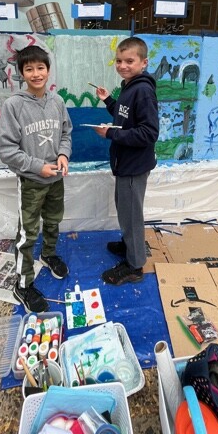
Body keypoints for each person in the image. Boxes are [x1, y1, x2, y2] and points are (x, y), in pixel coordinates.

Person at [0, 45, 72, 312]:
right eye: (29, 69)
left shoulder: (57, 102)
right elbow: (7, 150)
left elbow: (65, 134)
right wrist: (37, 167)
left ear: (48, 70)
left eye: (41, 68)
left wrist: (63, 155)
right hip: (31, 182)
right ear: (21, 73)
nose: (36, 73)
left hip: (56, 180)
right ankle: (23, 284)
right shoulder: (13, 105)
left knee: (53, 221)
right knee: (27, 234)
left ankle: (49, 254)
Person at [93, 36, 159, 285]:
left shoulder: (142, 91)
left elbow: (149, 133)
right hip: (124, 163)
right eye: (119, 60)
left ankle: (135, 265)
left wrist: (111, 133)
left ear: (144, 63)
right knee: (125, 209)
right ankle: (128, 244)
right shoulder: (129, 87)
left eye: (129, 61)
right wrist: (109, 100)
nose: (123, 65)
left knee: (131, 215)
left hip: (134, 166)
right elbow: (124, 116)